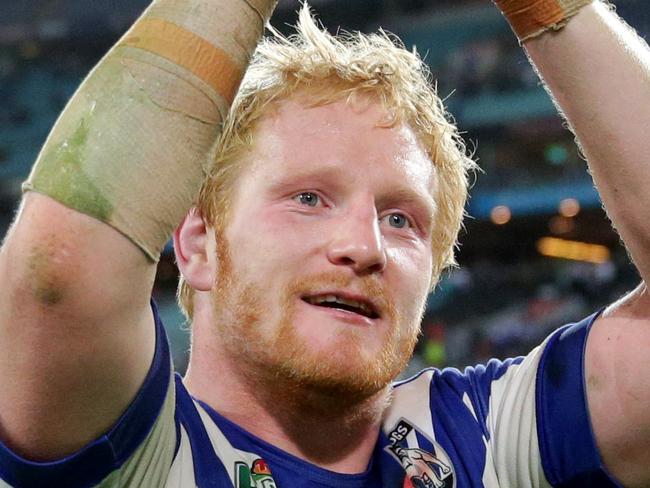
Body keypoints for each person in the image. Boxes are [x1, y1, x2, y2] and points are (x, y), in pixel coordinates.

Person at [0, 0, 648, 485]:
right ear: (198, 242)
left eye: (401, 220)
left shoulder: (485, 437)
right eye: (308, 199)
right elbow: (58, 273)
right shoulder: (146, 457)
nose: (363, 247)